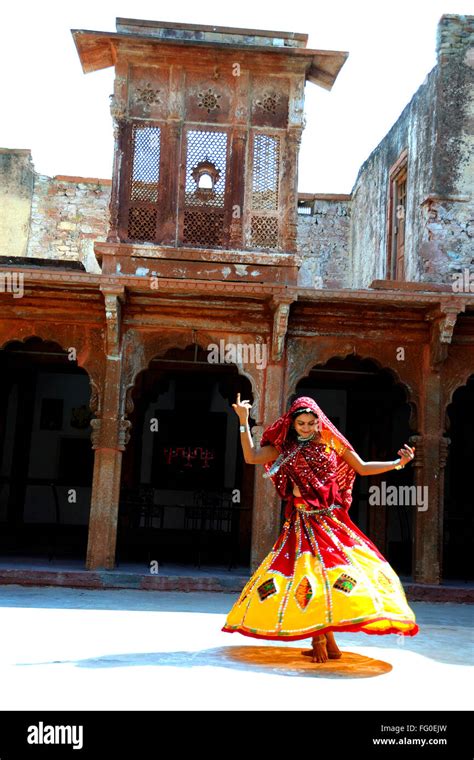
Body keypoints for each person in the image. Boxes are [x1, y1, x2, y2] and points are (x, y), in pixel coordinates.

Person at [222, 394, 419, 663]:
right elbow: (251, 456)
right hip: (302, 521)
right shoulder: (286, 448)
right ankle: (326, 641)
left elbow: (361, 467)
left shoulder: (331, 442)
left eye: (310, 423)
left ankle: (321, 639)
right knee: (309, 575)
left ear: (319, 422)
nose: (305, 428)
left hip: (330, 521)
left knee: (333, 573)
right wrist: (244, 421)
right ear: (292, 424)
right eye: (300, 423)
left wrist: (398, 464)